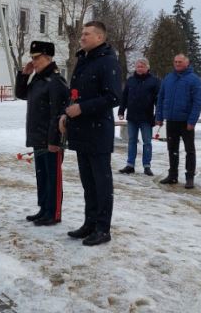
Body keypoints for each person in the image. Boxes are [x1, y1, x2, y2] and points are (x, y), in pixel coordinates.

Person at [59, 21, 122, 246]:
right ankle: (90, 223)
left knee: (101, 183)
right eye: (82, 33)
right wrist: (66, 113)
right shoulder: (84, 60)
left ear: (99, 37)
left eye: (87, 34)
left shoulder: (108, 62)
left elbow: (114, 97)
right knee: (88, 182)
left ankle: (103, 228)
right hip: (81, 130)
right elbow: (75, 93)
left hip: (98, 132)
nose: (82, 37)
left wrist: (83, 109)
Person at [15, 41, 68, 226]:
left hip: (51, 138)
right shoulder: (38, 78)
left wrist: (54, 140)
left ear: (48, 57)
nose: (34, 61)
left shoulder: (55, 80)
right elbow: (22, 94)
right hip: (38, 136)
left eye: (37, 58)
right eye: (32, 58)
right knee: (42, 175)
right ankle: (44, 208)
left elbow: (58, 113)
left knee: (53, 177)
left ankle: (53, 213)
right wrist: (24, 75)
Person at [155, 54, 201, 189]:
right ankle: (173, 175)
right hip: (171, 120)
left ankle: (189, 177)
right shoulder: (168, 78)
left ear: (187, 63)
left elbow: (198, 102)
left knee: (190, 150)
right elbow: (161, 98)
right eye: (175, 61)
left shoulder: (194, 80)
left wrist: (192, 121)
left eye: (180, 62)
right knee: (172, 149)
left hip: (186, 122)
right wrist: (159, 116)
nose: (177, 64)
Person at [118, 58, 161, 176]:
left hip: (146, 118)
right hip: (132, 117)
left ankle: (147, 166)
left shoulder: (154, 81)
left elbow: (158, 100)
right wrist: (121, 110)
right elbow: (124, 96)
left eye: (142, 66)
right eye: (138, 66)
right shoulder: (130, 80)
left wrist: (158, 115)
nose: (140, 68)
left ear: (147, 67)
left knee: (147, 142)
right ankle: (130, 165)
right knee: (132, 141)